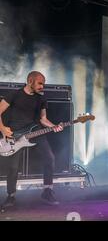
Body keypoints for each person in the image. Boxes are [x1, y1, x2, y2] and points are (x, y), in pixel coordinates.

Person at [0, 71, 63, 211]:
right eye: (40, 83)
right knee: (13, 167)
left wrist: (54, 126)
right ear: (30, 81)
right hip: (15, 135)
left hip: (34, 131)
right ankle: (11, 195)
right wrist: (3, 129)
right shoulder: (14, 95)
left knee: (50, 158)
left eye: (44, 84)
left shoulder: (41, 98)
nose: (42, 86)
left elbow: (43, 119)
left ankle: (47, 191)